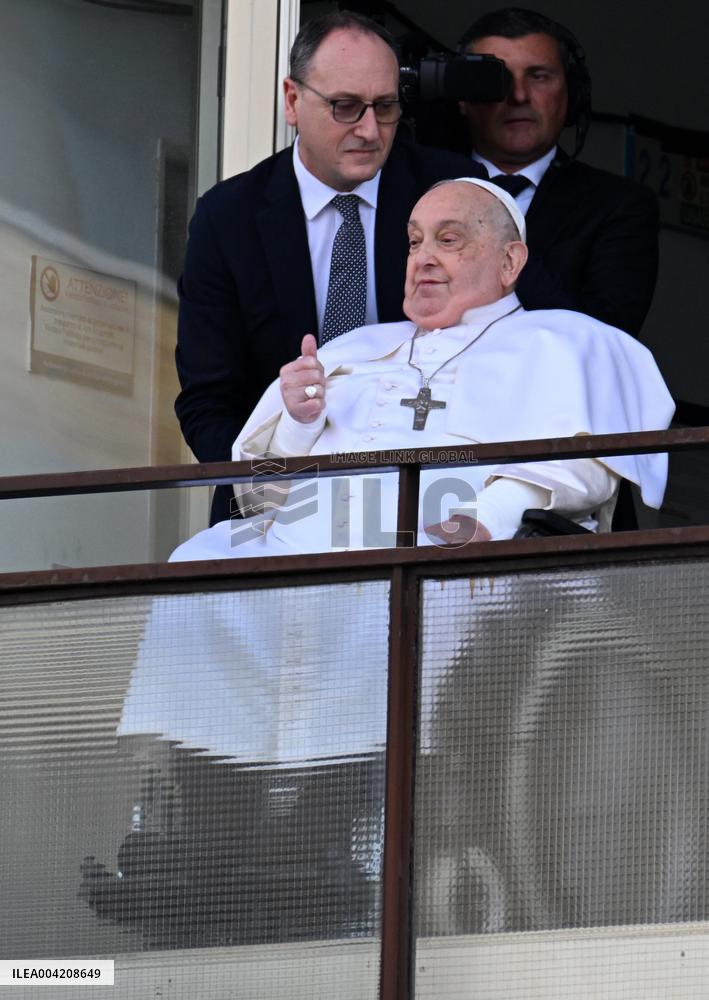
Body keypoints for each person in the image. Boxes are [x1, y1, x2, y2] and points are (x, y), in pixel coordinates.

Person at [171, 178, 672, 563]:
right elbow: (259, 498)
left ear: (510, 262)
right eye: (414, 242)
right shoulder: (351, 348)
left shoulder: (565, 341)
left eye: (448, 240)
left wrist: (489, 518)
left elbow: (586, 466)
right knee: (188, 575)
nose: (423, 259)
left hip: (450, 561)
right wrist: (299, 425)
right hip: (291, 555)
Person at [175, 10, 484, 525]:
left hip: (428, 500)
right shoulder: (228, 217)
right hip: (278, 510)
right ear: (293, 101)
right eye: (345, 107)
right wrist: (274, 490)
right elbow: (208, 403)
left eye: (385, 107)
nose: (369, 130)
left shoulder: (451, 191)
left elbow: (514, 331)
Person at [456, 7, 659, 337]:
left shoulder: (620, 206)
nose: (519, 96)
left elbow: (603, 340)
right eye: (499, 78)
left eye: (538, 76)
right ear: (462, 96)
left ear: (571, 94)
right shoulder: (416, 182)